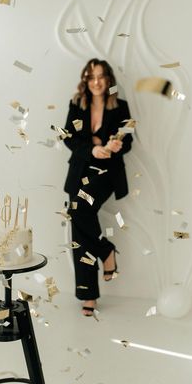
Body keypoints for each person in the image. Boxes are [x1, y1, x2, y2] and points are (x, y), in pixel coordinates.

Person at [63, 58, 133, 316]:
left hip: (105, 175)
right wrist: (92, 148)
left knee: (79, 210)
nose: (96, 81)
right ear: (85, 80)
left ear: (108, 80)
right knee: (79, 233)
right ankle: (90, 292)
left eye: (101, 76)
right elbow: (69, 137)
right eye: (91, 77)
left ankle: (104, 257)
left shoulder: (120, 107)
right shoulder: (76, 104)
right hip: (80, 171)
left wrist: (116, 146)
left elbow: (128, 141)